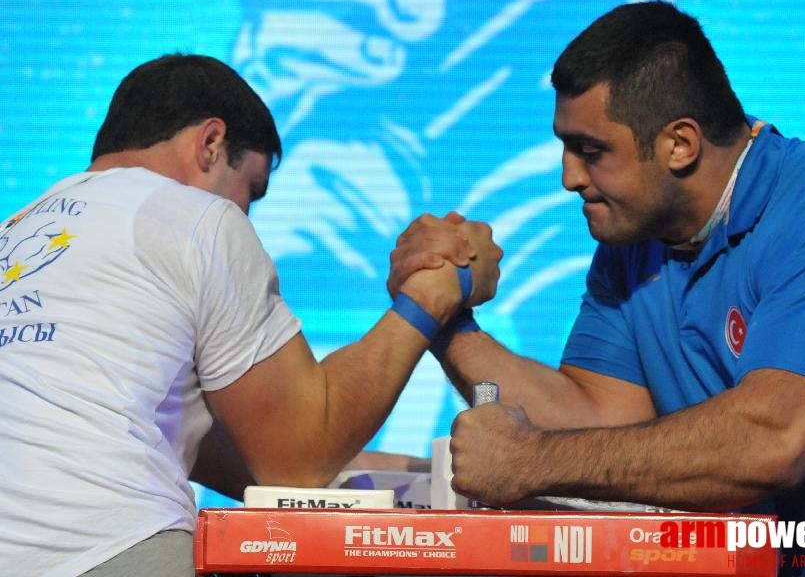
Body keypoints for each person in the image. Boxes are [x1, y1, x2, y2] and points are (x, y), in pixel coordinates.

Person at [389, 0, 805, 574]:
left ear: (679, 144)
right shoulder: (632, 241)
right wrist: (441, 311)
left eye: (591, 151)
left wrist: (531, 460)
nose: (568, 177)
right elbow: (598, 420)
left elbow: (774, 440)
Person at [0, 53, 501, 577]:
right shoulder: (195, 218)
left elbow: (254, 461)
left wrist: (448, 475)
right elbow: (298, 463)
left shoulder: (19, 232)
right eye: (252, 191)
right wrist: (436, 293)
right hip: (102, 550)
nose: (244, 215)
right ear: (211, 143)